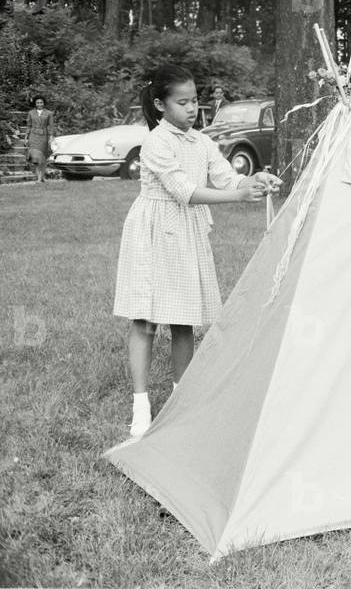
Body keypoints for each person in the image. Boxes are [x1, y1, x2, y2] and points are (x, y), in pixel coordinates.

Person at [113, 65, 282, 439]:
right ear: (160, 105)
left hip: (186, 233)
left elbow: (225, 175)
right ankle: (141, 406)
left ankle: (181, 400)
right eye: (183, 102)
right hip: (154, 230)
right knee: (144, 318)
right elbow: (184, 191)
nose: (192, 109)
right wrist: (238, 196)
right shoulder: (157, 142)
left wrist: (253, 180)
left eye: (195, 101)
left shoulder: (202, 142)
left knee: (182, 318)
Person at [25, 95, 56, 183]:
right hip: (33, 136)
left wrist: (51, 137)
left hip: (43, 136)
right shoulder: (31, 113)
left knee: (43, 157)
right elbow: (28, 126)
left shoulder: (49, 113)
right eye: (38, 102)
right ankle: (39, 178)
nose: (39, 104)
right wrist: (26, 137)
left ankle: (41, 177)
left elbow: (51, 126)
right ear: (35, 103)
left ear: (44, 103)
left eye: (41, 102)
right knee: (35, 157)